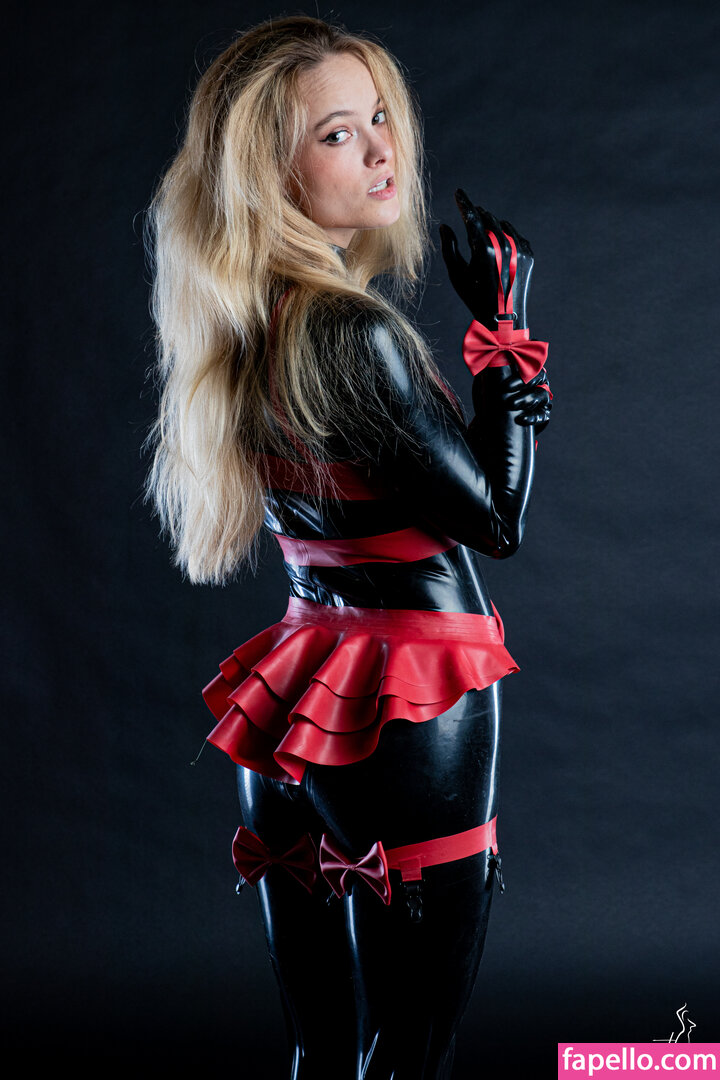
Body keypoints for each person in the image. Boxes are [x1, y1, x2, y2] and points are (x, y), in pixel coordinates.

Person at [145, 14, 551, 1079]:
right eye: (337, 134)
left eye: (379, 118)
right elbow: (497, 520)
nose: (382, 149)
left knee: (322, 1050)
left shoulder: (247, 321)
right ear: (266, 172)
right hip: (404, 708)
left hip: (300, 701)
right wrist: (507, 334)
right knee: (408, 1054)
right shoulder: (349, 331)